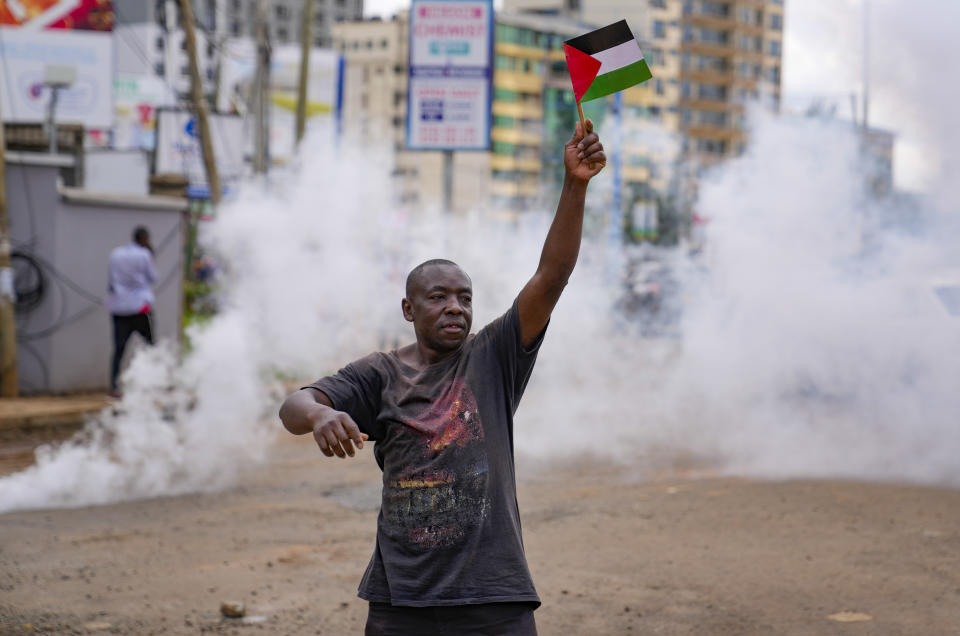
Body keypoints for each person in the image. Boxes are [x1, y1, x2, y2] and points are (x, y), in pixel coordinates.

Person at [279, 120, 606, 635]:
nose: (455, 307)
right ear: (409, 309)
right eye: (439, 297)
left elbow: (552, 274)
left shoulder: (495, 356)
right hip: (402, 601)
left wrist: (575, 185)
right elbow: (293, 406)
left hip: (494, 597)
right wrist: (321, 413)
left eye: (465, 298)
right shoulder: (379, 373)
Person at [107, 225, 157, 397]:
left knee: (119, 349)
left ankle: (114, 386)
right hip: (140, 307)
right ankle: (154, 383)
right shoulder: (144, 254)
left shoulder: (116, 254)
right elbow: (153, 277)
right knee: (150, 346)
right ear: (144, 239)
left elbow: (111, 280)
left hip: (119, 307)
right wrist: (151, 255)